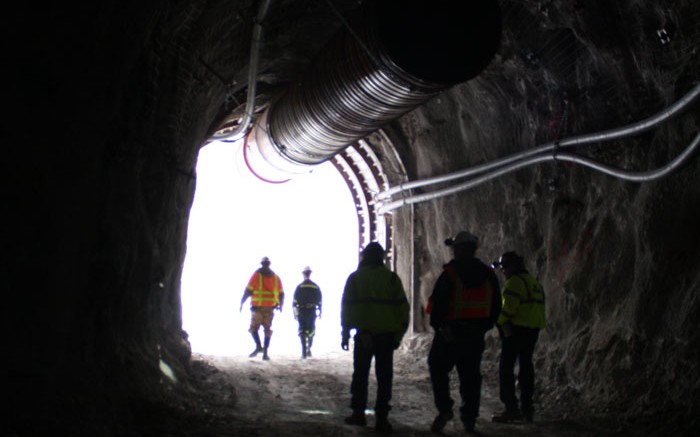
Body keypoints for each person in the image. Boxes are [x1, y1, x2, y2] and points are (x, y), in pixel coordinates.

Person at [426, 231, 501, 434]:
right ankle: (469, 420)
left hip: (450, 335)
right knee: (471, 377)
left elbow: (438, 305)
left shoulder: (450, 274)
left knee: (437, 367)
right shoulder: (488, 275)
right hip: (474, 336)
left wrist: (439, 327)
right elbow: (496, 307)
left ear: (459, 250)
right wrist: (484, 327)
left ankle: (445, 409)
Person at [341, 242, 409, 434]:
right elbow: (403, 309)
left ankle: (358, 414)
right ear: (381, 258)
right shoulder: (391, 279)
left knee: (360, 375)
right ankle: (382, 419)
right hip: (386, 337)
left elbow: (347, 307)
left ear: (364, 257)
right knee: (384, 377)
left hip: (363, 337)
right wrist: (398, 335)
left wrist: (345, 333)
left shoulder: (355, 278)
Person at [491, 251, 546, 423]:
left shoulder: (514, 282)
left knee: (506, 368)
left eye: (505, 267)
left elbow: (508, 309)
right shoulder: (533, 282)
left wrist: (497, 321)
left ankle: (511, 408)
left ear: (513, 266)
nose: (504, 271)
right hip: (532, 330)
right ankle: (527, 409)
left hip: (516, 330)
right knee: (526, 367)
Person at [240, 256, 284, 361]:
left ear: (262, 264)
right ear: (269, 264)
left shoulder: (256, 275)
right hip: (270, 308)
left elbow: (248, 290)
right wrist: (280, 305)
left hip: (258, 308)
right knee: (267, 329)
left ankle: (259, 347)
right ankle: (265, 353)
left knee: (253, 328)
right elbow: (281, 293)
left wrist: (242, 302)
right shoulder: (276, 277)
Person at [293, 266, 323, 359]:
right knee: (311, 330)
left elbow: (294, 301)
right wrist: (320, 310)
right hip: (312, 310)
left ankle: (304, 353)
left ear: (303, 274)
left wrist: (294, 312)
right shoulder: (315, 286)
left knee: (302, 329)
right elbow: (320, 300)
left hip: (301, 311)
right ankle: (308, 349)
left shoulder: (299, 286)